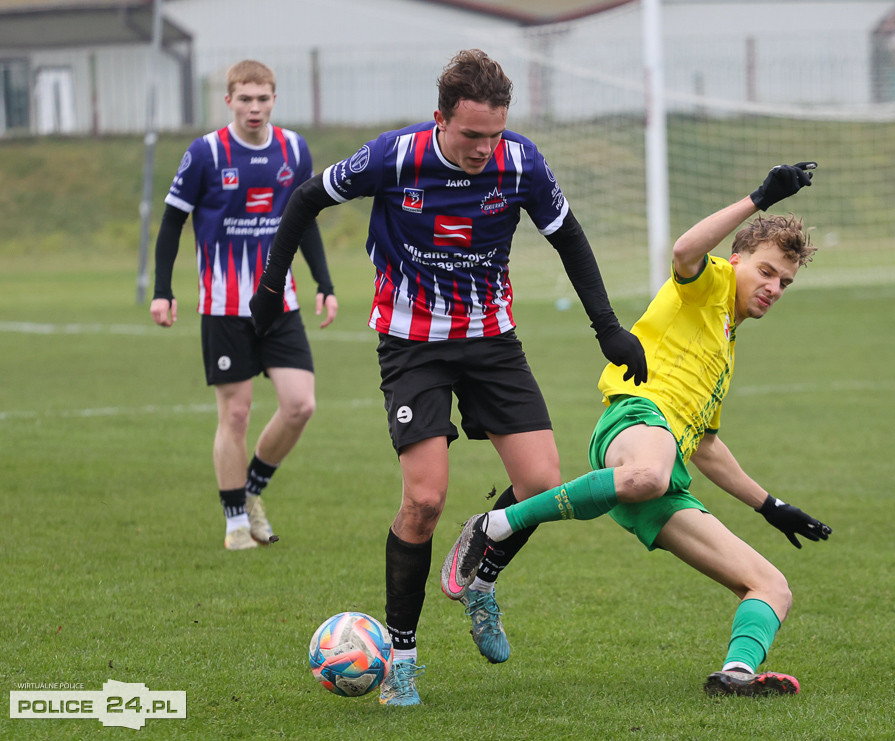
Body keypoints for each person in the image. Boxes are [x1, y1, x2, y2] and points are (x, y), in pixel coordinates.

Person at [249, 49, 646, 706]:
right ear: (440, 118)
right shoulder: (392, 157)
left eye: (494, 134)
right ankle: (401, 657)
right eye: (471, 135)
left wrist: (607, 326)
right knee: (424, 500)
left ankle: (481, 571)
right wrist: (270, 288)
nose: (484, 148)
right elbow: (304, 199)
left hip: (492, 343)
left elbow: (568, 236)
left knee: (543, 484)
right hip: (413, 347)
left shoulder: (520, 163)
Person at [444, 161, 832, 697]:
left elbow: (708, 446)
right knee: (648, 473)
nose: (774, 287)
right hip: (634, 422)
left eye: (784, 283)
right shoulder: (710, 283)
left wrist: (772, 506)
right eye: (766, 272)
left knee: (771, 586)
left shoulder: (725, 348)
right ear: (737, 259)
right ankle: (496, 525)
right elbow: (684, 251)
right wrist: (758, 198)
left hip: (661, 473)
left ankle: (736, 673)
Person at [150, 59, 337, 551]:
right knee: (235, 414)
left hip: (279, 301)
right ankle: (236, 523)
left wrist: (324, 281)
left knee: (300, 405)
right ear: (229, 100)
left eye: (263, 98)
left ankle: (251, 490)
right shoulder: (206, 153)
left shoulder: (294, 149)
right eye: (245, 98)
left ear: (274, 99)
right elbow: (172, 223)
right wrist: (163, 290)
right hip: (222, 304)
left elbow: (308, 219)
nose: (254, 108)